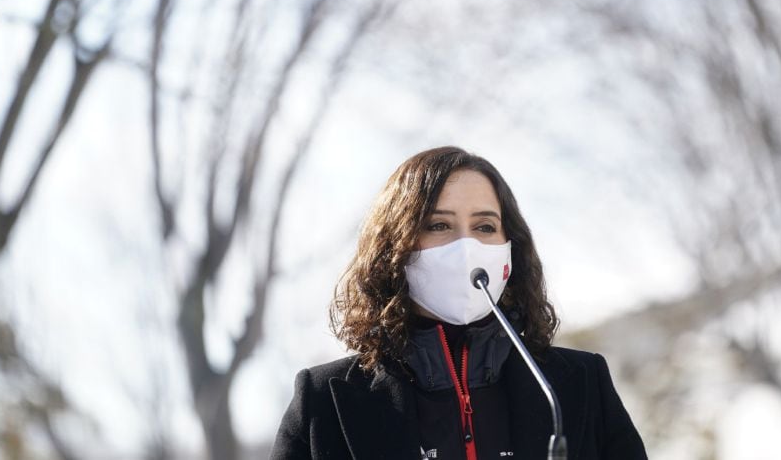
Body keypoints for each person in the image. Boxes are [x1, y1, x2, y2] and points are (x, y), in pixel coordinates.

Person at [269, 146, 647, 459]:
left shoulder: (579, 385)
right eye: (438, 226)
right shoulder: (323, 403)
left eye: (485, 227)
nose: (467, 248)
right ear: (393, 250)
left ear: (509, 249)